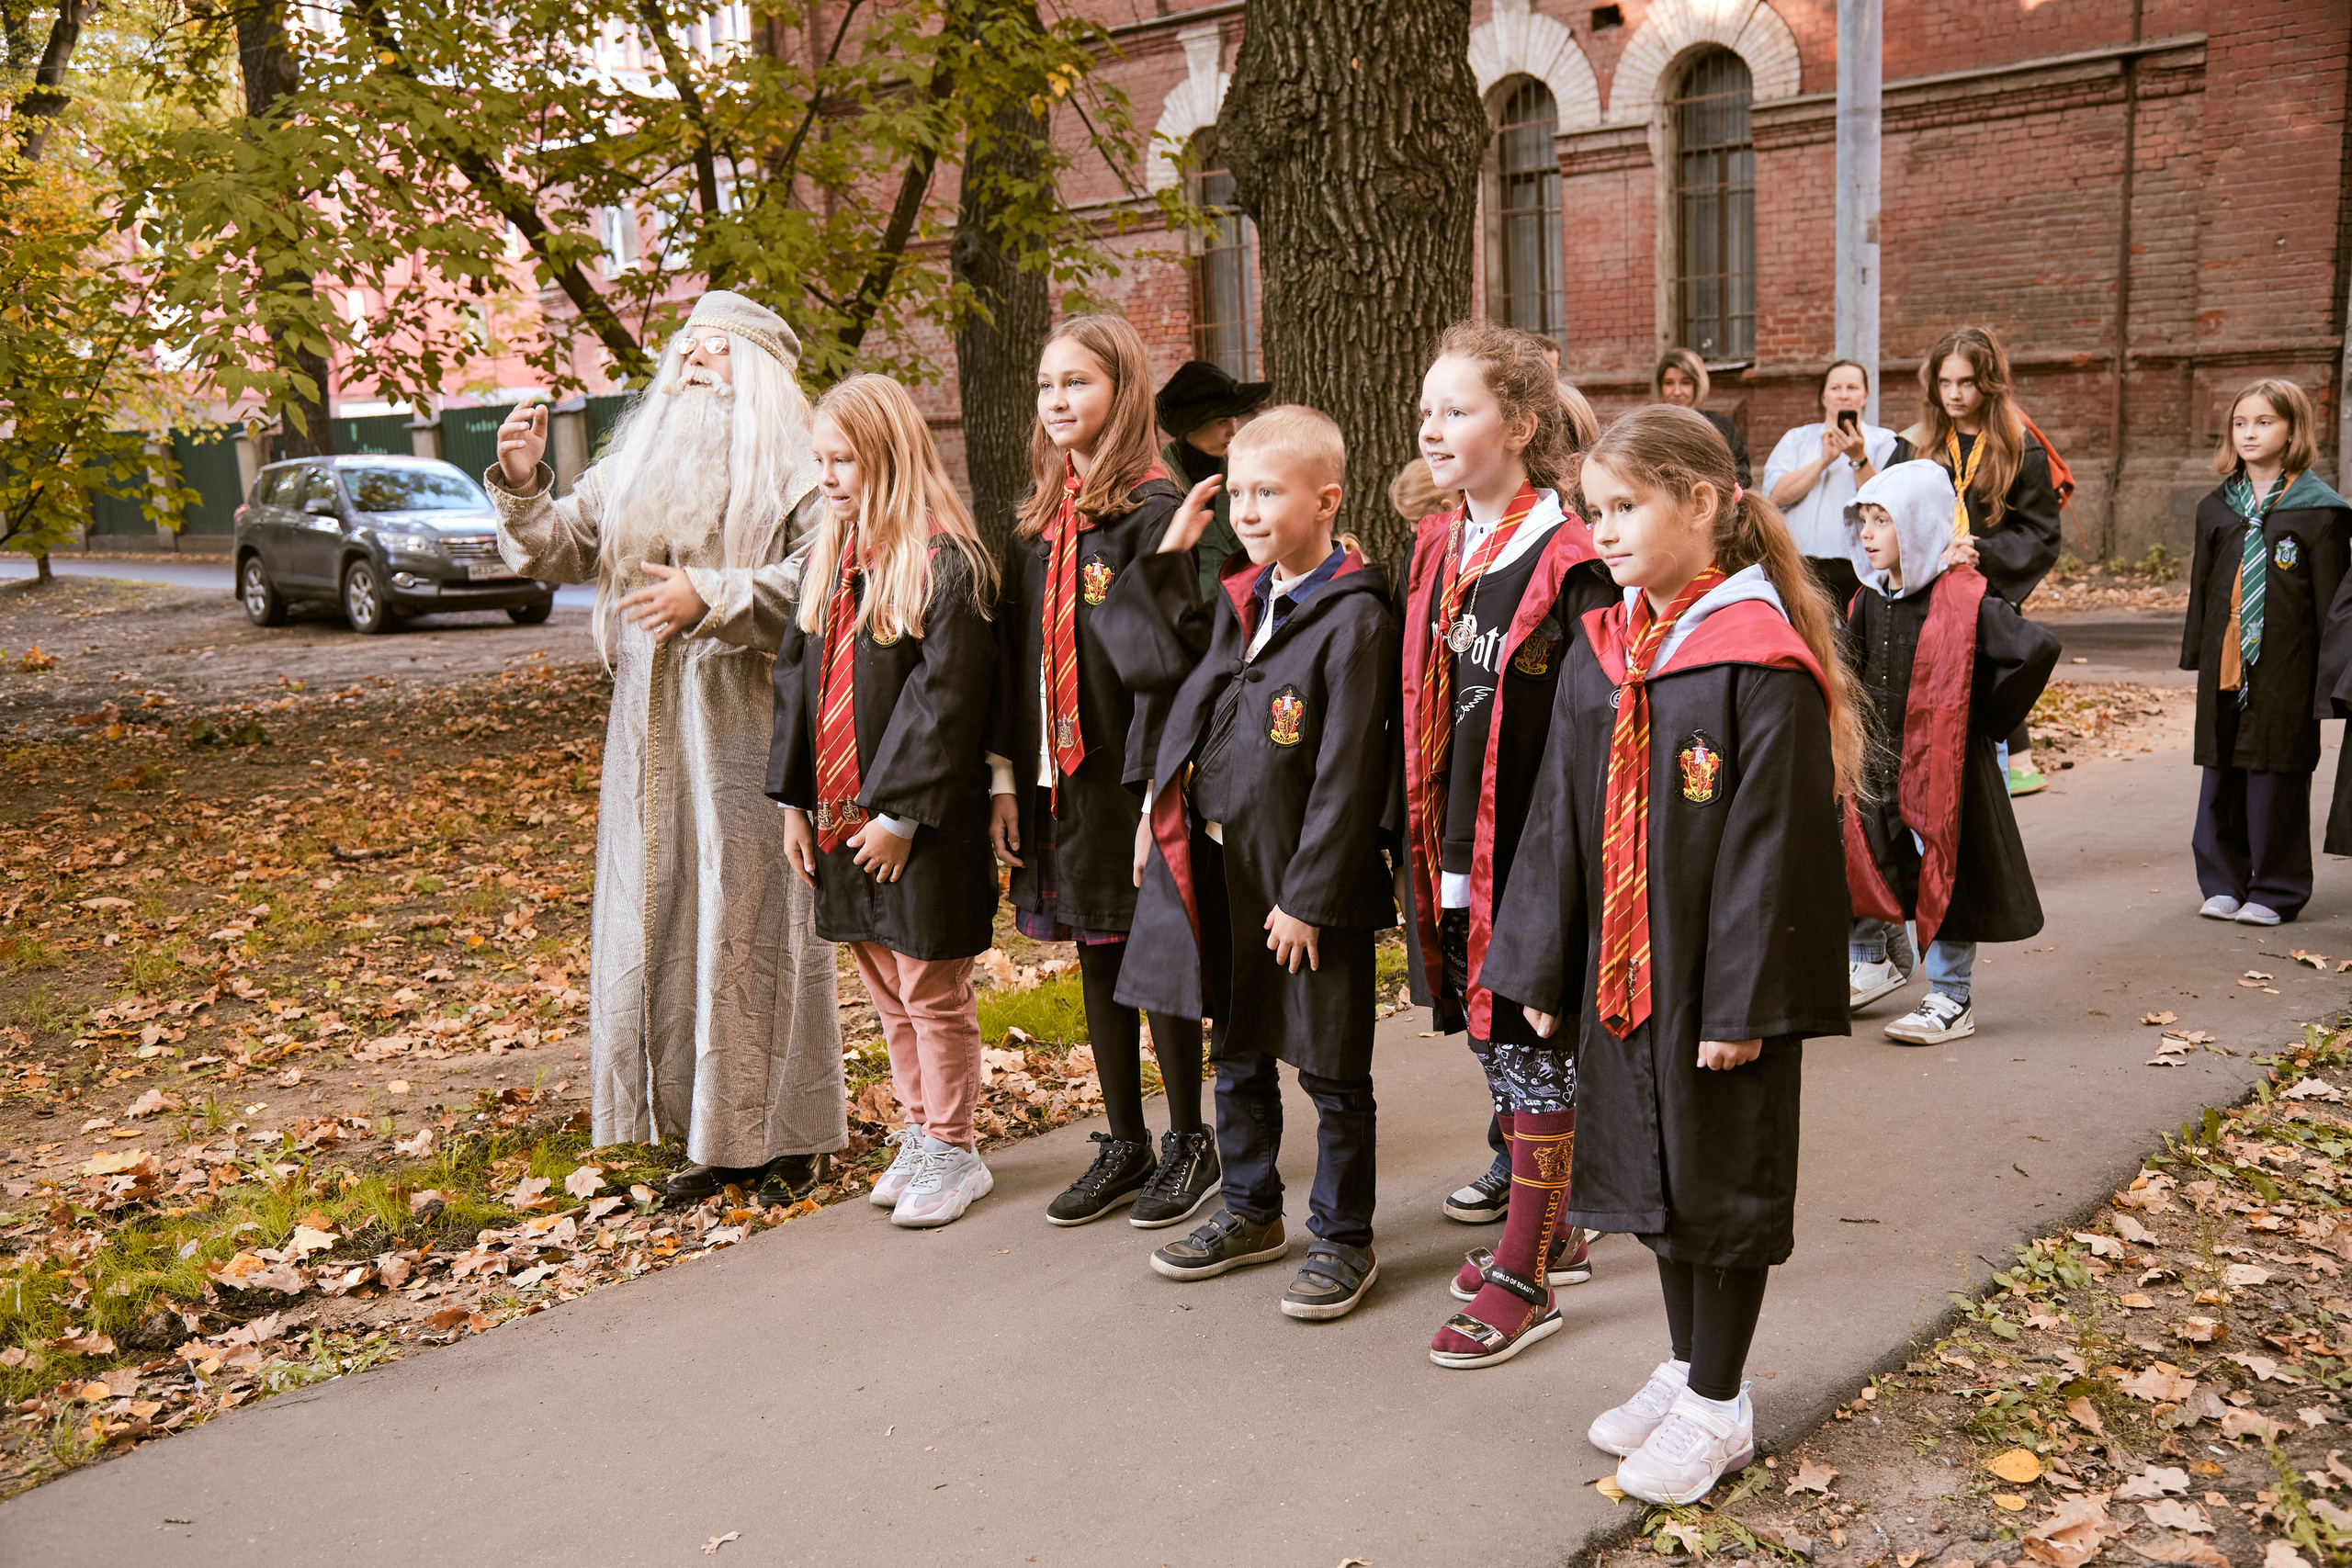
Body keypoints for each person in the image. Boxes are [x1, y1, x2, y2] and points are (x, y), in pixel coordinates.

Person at [1481, 404, 1856, 1504]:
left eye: (1625, 507)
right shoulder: (1609, 648)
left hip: (1711, 981)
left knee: (1720, 1182)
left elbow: (1773, 849)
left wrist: (1741, 1006)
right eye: (1592, 510)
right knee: (1647, 1172)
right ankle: (1693, 1370)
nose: (1602, 530)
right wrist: (1541, 968)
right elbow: (1556, 812)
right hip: (1622, 969)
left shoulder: (1759, 661)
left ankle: (1719, 1404)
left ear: (1701, 503)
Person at [488, 291, 844, 1208]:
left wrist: (712, 596)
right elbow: (564, 547)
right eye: (686, 348)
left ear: (759, 372)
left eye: (716, 352)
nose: (693, 363)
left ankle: (790, 1138)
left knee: (753, 923)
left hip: (750, 725)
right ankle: (708, 1136)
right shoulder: (639, 461)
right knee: (669, 917)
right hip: (648, 732)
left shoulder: (799, 468)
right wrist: (525, 485)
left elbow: (824, 581)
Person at [1121, 405, 1400, 1321]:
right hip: (1222, 870)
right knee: (1235, 1053)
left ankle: (1343, 1237)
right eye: (1236, 490)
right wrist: (1160, 805)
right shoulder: (1246, 597)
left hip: (1302, 889)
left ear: (1325, 500)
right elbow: (1168, 684)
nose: (1245, 508)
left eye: (1266, 491)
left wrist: (1309, 898)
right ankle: (1248, 1211)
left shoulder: (1353, 616)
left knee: (1329, 1068)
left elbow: (1350, 769)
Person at [1399, 320, 1618, 1370]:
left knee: (1534, 1046)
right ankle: (1558, 1222)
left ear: (1520, 426)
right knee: (1491, 1037)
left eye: (1458, 410)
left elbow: (1593, 726)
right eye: (1429, 409)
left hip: (1534, 842)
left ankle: (1527, 1272)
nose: (1433, 427)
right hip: (1453, 837)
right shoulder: (1440, 546)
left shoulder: (1571, 563)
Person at [992, 314, 1226, 1230]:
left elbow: (1170, 660)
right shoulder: (1043, 518)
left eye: (1078, 384)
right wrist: (1008, 774)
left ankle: (1188, 1140)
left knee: (1152, 958)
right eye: (1048, 385)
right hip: (1061, 770)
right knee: (1095, 949)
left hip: (1130, 776)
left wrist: (1154, 792)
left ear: (1121, 394)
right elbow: (1022, 655)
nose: (1058, 401)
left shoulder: (1155, 513)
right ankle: (1123, 1140)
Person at [768, 375, 1002, 1227]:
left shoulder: (945, 561)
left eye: (845, 460)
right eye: (820, 459)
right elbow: (796, 683)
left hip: (916, 825)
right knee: (886, 990)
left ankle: (955, 1144)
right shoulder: (832, 561)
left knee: (932, 988)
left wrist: (900, 816)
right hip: (839, 814)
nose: (827, 477)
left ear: (891, 457)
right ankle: (918, 1128)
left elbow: (946, 701)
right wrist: (793, 800)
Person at [1842, 462, 2060, 1044]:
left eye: (1882, 520)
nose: (1867, 532)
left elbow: (2034, 650)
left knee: (1945, 875)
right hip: (1877, 764)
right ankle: (1871, 960)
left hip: (1943, 772)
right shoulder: (1867, 598)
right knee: (1868, 858)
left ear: (1916, 525)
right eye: (1863, 518)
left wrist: (1981, 720)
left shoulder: (1964, 598)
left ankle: (1950, 996)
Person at [2180, 378, 2351, 926]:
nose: (2250, 433)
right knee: (2220, 766)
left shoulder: (2321, 512)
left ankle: (2275, 888)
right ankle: (2223, 880)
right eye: (2240, 423)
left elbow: (2333, 605)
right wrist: (2199, 656)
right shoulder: (2217, 507)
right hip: (2226, 655)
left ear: (2293, 430)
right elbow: (2201, 588)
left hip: (2287, 663)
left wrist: (2331, 680)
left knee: (2276, 769)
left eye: (2264, 422)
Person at [1917, 328, 2064, 795]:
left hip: (1987, 600)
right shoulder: (1919, 445)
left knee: (1981, 727)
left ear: (1990, 382)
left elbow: (2040, 534)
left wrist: (1982, 551)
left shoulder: (2019, 447)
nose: (1955, 394)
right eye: (1945, 383)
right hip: (1926, 599)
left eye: (1966, 383)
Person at [1762, 360, 1900, 609]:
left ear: (1866, 395)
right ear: (1823, 396)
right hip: (1801, 564)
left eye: (1852, 387)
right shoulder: (1797, 438)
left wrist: (1858, 457)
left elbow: (1888, 504)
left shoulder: (1884, 441)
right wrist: (1823, 461)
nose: (1844, 395)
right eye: (1836, 388)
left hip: (1860, 566)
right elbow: (1775, 497)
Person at [1157, 359, 1272, 602]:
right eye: (1222, 421)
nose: (1232, 430)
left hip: (1249, 610)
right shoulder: (1158, 485)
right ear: (1193, 423)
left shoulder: (1245, 475)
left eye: (1233, 419)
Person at [1651, 348, 1750, 488]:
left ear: (1697, 386)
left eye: (1686, 383)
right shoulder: (1651, 429)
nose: (1677, 392)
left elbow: (1742, 475)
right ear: (1660, 388)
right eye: (1669, 383)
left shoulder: (1722, 425)